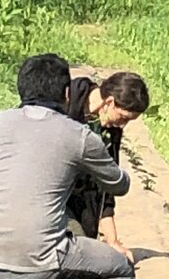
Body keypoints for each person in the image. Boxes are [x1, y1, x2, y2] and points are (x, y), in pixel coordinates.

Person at [0, 53, 136, 279]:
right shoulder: (80, 135)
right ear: (66, 93)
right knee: (123, 270)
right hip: (37, 260)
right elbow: (119, 184)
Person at [61, 70, 149, 243]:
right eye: (122, 118)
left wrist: (113, 240)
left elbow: (106, 181)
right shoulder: (64, 104)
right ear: (109, 102)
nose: (122, 126)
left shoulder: (111, 129)